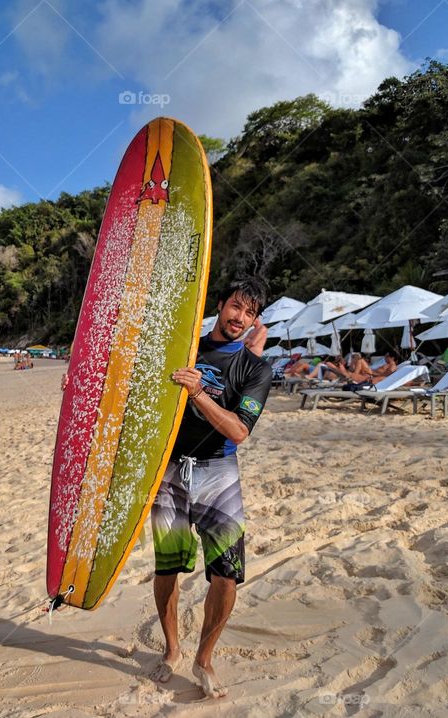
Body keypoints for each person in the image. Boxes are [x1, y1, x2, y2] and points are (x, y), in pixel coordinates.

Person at [151, 278, 273, 699]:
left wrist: (198, 392)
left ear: (256, 321)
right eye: (236, 307)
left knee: (227, 576)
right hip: (167, 471)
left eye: (250, 313)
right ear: (219, 305)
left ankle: (204, 657)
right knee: (167, 567)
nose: (240, 318)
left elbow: (239, 430)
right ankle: (171, 650)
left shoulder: (256, 370)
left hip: (218, 471)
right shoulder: (186, 347)